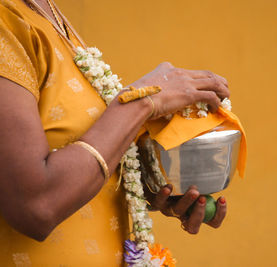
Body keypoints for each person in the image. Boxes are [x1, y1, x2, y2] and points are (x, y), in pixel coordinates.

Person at [0, 0, 229, 265]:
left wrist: (156, 188)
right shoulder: (7, 20)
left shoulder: (47, 13)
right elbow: (35, 207)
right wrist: (143, 100)